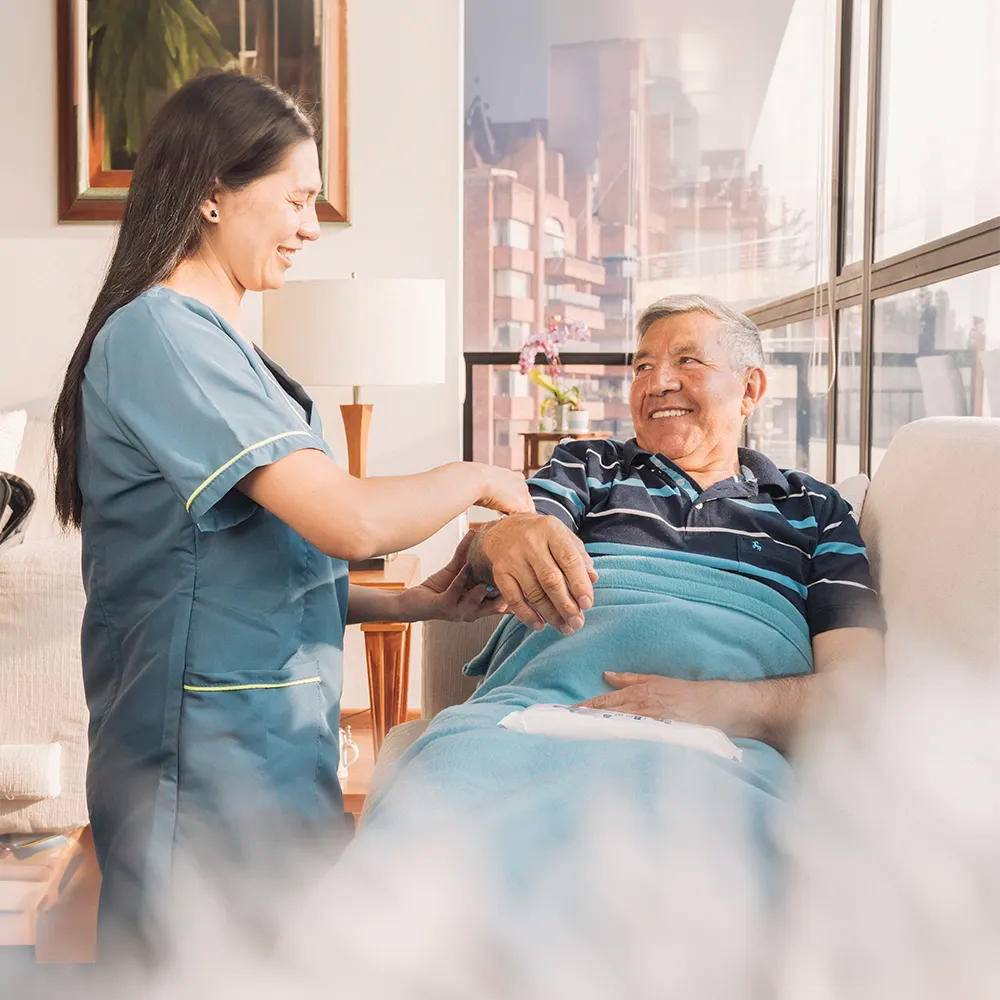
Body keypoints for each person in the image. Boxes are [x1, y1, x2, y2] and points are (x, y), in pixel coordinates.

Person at [51, 71, 529, 959]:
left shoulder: (223, 347)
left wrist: (419, 603)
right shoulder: (163, 335)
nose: (312, 226)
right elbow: (345, 522)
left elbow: (256, 575)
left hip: (266, 751)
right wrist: (481, 476)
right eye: (297, 200)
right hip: (200, 768)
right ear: (211, 194)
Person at [467, 294, 884, 749]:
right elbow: (504, 547)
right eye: (643, 367)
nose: (658, 382)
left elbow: (857, 692)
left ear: (750, 390)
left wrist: (715, 705)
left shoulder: (815, 508)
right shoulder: (589, 465)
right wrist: (497, 539)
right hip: (544, 714)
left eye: (688, 360)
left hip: (716, 746)